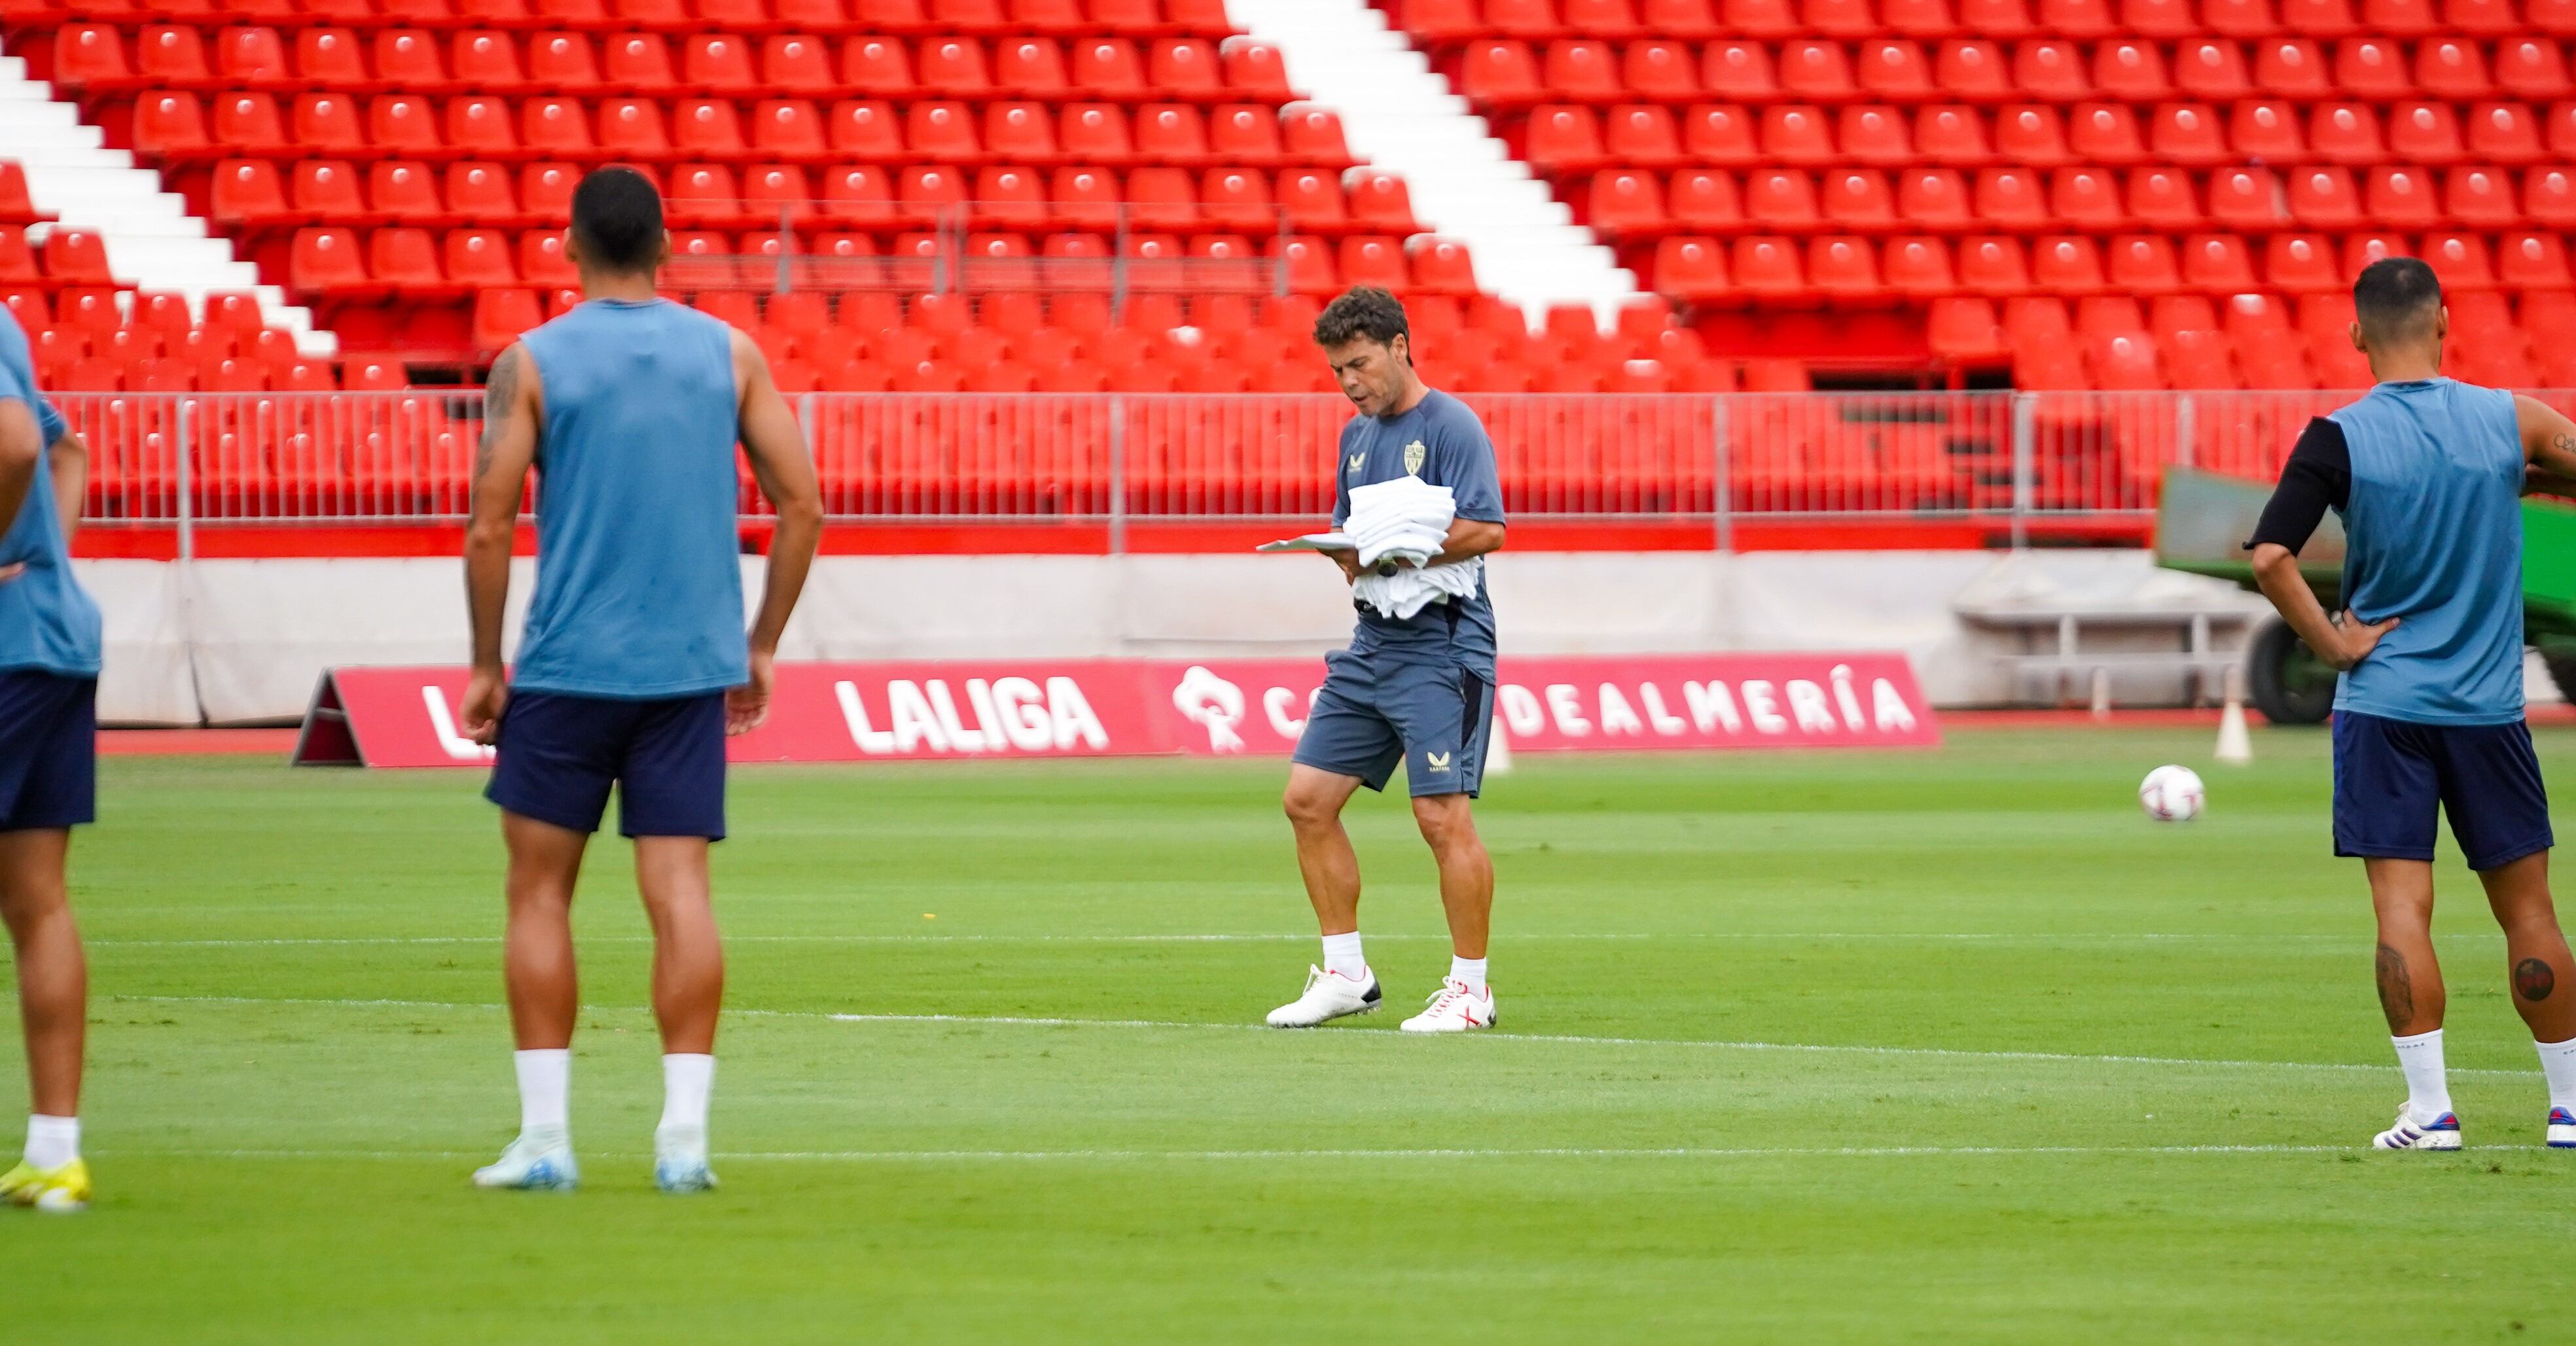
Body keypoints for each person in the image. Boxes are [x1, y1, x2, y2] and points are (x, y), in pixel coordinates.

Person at [459, 167, 824, 1192]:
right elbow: (803, 506)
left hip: (569, 668)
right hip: (685, 671)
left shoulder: (530, 362)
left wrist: (489, 664)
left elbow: (490, 522)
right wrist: (759, 645)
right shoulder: (732, 354)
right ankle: (685, 1141)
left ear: (570, 247)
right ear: (667, 250)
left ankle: (545, 1142)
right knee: (680, 893)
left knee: (538, 895)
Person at [2247, 256, 2576, 1152]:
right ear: (2444, 322)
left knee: (2403, 909)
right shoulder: (2512, 420)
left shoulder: (2337, 438)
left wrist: (2336, 645)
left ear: (2357, 335)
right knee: (2532, 913)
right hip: (2488, 707)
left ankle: (2431, 1112)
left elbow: (2272, 557)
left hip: (2383, 705)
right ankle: (2571, 1108)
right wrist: (2530, 480)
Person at [1267, 286, 1509, 1034]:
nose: (1350, 382)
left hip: (1442, 644)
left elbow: (1488, 528)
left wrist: (1406, 553)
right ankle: (1346, 975)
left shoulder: (1451, 426)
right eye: (1339, 369)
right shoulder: (1355, 437)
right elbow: (1350, 532)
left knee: (1441, 817)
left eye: (1360, 364)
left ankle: (1471, 992)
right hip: (1373, 645)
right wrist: (1346, 556)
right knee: (1307, 800)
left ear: (1401, 347)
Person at [0, 307, 98, 1212]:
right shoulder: (8, 327)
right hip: (54, 640)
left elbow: (20, 441)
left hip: (6, 649)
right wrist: (48, 563)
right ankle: (55, 1152)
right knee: (38, 900)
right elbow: (66, 450)